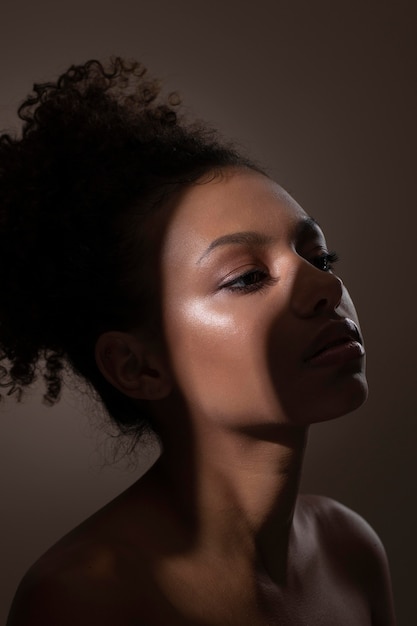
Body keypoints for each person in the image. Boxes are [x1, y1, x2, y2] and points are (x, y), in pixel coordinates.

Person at [2, 58, 395, 626]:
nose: (326, 287)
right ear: (138, 366)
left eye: (319, 257)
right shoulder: (86, 600)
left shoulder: (349, 551)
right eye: (248, 277)